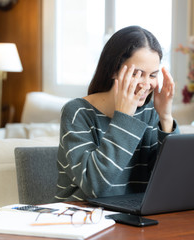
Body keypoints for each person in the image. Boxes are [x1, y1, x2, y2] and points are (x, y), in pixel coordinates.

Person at [55, 26, 179, 202]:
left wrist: (166, 118)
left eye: (152, 75)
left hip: (134, 218)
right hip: (82, 217)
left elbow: (170, 182)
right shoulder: (77, 112)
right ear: (114, 70)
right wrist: (124, 118)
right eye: (137, 74)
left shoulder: (151, 113)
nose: (146, 84)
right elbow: (94, 185)